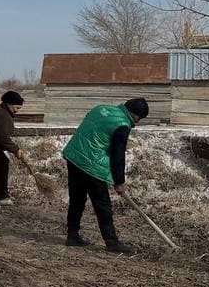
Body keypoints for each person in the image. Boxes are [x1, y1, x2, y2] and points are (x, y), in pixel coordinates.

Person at [62, 97, 149, 254]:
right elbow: (118, 155)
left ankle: (72, 236)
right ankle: (112, 243)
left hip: (74, 156)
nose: (138, 122)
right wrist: (119, 182)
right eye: (140, 118)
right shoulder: (122, 124)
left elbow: (90, 124)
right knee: (103, 205)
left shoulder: (100, 108)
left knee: (77, 199)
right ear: (135, 114)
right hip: (91, 164)